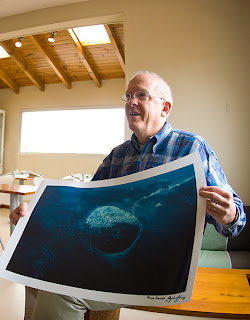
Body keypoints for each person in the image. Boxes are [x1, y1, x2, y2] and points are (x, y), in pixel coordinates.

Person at [10, 71, 246, 319]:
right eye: (128, 96)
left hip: (163, 272)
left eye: (142, 95)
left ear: (165, 108)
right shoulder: (118, 155)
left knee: (59, 292)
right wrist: (34, 217)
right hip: (112, 264)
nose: (131, 101)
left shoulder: (193, 148)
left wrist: (229, 214)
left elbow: (236, 223)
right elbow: (83, 207)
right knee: (38, 270)